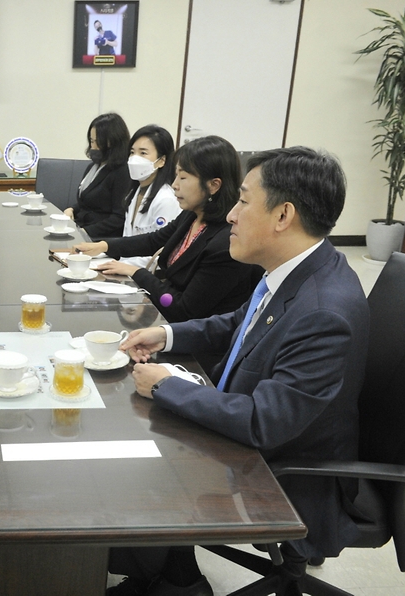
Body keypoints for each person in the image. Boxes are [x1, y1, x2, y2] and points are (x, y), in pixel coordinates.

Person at [108, 147, 370, 596]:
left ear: (283, 215)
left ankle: (170, 578)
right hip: (256, 435)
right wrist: (165, 336)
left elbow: (263, 422)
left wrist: (169, 385)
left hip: (282, 473)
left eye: (244, 201)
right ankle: (167, 568)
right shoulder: (297, 270)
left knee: (124, 464)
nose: (230, 214)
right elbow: (237, 324)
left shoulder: (324, 311)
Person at [74, 135, 261, 324]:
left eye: (183, 177)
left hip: (194, 338)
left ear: (213, 185)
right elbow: (154, 240)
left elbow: (184, 309)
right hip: (168, 317)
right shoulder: (193, 214)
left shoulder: (225, 242)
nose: (174, 185)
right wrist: (104, 246)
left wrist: (136, 273)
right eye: (176, 175)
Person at [117, 125, 182, 268]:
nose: (134, 159)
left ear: (161, 161)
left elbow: (161, 255)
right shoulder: (135, 192)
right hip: (126, 268)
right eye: (132, 152)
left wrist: (124, 265)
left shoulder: (166, 199)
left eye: (143, 153)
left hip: (146, 275)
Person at [64, 113, 134, 238]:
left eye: (98, 142)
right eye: (91, 141)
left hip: (102, 237)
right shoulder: (93, 167)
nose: (93, 147)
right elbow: (86, 202)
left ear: (114, 142)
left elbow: (119, 218)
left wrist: (85, 232)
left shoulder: (123, 171)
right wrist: (72, 209)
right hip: (82, 227)